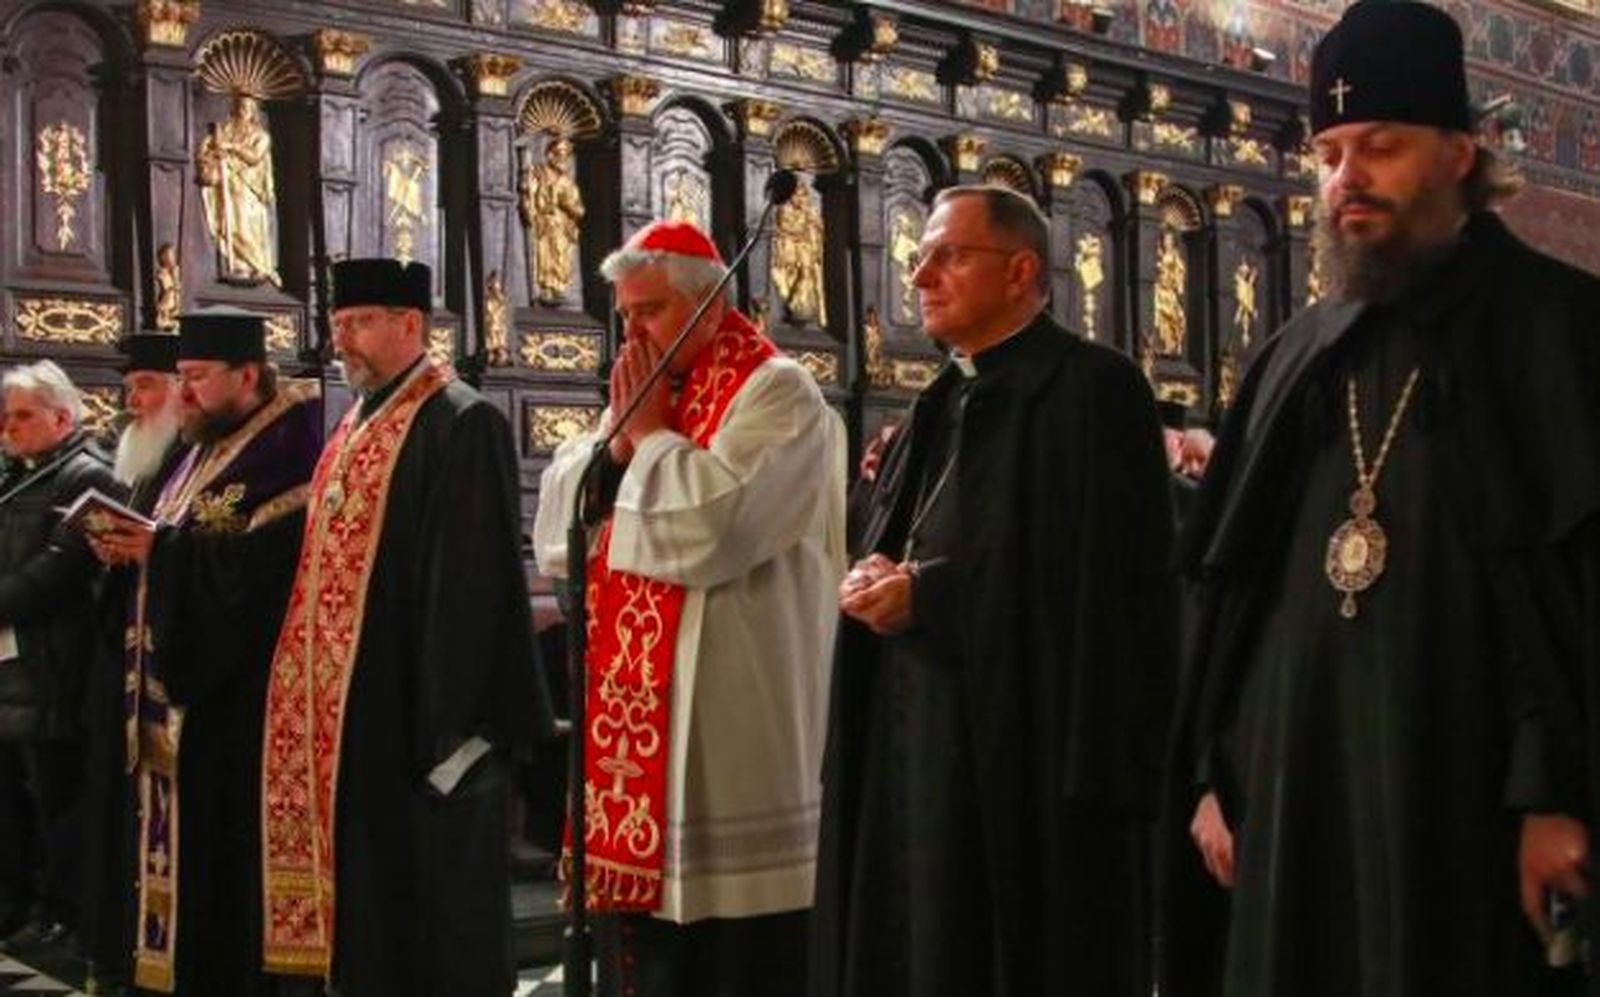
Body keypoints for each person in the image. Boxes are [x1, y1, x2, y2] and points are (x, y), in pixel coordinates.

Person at [1158, 3, 1600, 995]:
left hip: (1467, 792)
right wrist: (1213, 777)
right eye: (1327, 152)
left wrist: (1555, 795)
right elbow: (1230, 594)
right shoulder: (1289, 359)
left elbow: (1572, 597)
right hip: (1293, 791)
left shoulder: (1558, 335)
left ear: (1460, 152)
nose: (1344, 179)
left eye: (1380, 148)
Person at [809, 184, 1177, 997]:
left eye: (948, 255)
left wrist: (932, 599)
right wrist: (877, 572)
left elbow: (1112, 589)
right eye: (921, 255)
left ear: (1019, 271)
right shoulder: (940, 398)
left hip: (1027, 764)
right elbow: (919, 534)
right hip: (914, 748)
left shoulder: (1095, 392)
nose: (921, 274)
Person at [534, 219, 846, 997]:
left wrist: (645, 440)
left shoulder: (775, 390)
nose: (632, 330)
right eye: (626, 314)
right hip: (637, 758)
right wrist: (617, 446)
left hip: (734, 750)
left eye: (651, 310)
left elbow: (715, 527)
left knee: (734, 967)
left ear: (707, 307)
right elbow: (559, 529)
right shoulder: (648, 393)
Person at [258, 259, 550, 997]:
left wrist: (445, 724)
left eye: (358, 324)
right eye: (338, 326)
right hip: (357, 712)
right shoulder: (357, 422)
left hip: (419, 717)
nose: (341, 342)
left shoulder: (459, 416)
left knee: (436, 918)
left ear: (410, 325)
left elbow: (471, 583)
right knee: (379, 912)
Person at [93, 307, 322, 995]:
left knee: (222, 874)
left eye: (194, 377)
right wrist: (131, 549)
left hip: (236, 708)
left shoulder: (290, 447)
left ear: (246, 374)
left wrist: (161, 550)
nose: (182, 393)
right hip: (177, 701)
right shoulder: (201, 443)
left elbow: (265, 575)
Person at [80, 333, 186, 993]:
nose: (132, 403)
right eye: (128, 390)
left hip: (163, 676)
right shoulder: (142, 463)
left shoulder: (188, 460)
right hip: (116, 665)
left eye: (145, 387)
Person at [0, 361, 116, 954]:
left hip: (57, 664)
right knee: (15, 797)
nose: (9, 428)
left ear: (62, 417)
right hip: (14, 668)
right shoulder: (17, 477)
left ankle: (64, 911)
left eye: (23, 415)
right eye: (6, 417)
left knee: (57, 795)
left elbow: (59, 569)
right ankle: (17, 901)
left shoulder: (85, 477)